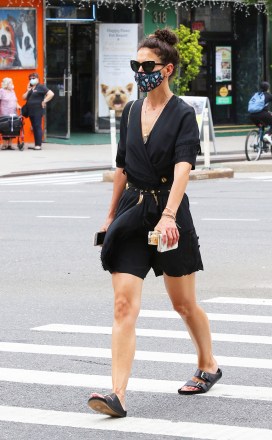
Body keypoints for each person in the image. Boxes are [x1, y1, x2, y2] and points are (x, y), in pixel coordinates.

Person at [87, 28, 222, 419]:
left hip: (169, 214)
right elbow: (121, 168)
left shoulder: (183, 114)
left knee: (183, 303)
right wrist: (111, 216)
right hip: (133, 212)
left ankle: (208, 363)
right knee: (123, 303)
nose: (140, 72)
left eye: (147, 66)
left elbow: (183, 169)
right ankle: (117, 394)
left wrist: (168, 216)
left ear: (167, 70)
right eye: (136, 65)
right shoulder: (130, 110)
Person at [22, 73, 54, 150]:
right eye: (30, 78)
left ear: (37, 78)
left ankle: (38, 145)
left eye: (33, 78)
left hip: (37, 110)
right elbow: (23, 97)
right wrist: (28, 90)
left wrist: (44, 101)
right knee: (34, 127)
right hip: (30, 110)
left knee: (37, 126)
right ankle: (36, 144)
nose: (31, 80)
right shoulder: (31, 88)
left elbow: (51, 94)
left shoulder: (41, 87)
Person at [0, 77, 21, 150]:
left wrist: (18, 106)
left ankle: (10, 145)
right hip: (4, 112)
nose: (12, 84)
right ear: (6, 84)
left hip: (13, 113)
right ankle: (4, 144)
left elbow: (15, 101)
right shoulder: (1, 91)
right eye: (10, 83)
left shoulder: (12, 91)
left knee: (12, 128)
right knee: (5, 128)